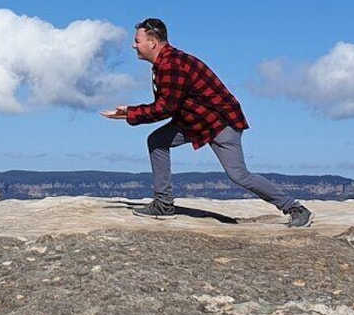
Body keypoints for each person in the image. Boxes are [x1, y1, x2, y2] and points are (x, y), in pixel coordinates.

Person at [101, 18, 313, 227]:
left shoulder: (171, 64)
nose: (133, 45)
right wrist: (131, 114)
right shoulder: (165, 63)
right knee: (157, 140)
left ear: (153, 42)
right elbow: (170, 104)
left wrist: (130, 113)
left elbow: (166, 108)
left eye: (137, 41)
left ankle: (295, 208)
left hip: (220, 124)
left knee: (239, 175)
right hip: (194, 122)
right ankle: (163, 204)